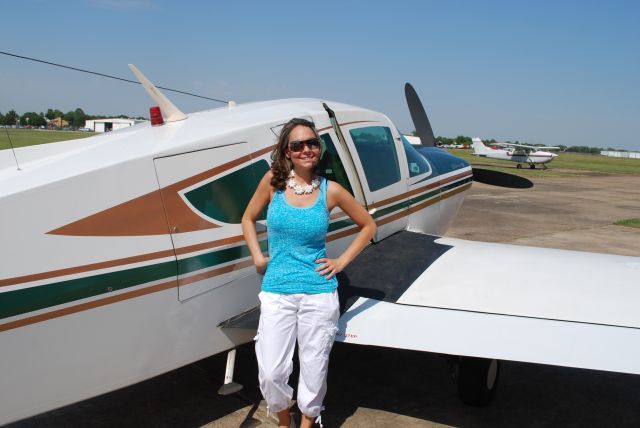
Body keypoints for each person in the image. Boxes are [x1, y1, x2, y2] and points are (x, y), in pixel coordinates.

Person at [242, 118, 376, 428]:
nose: (306, 149)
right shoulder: (272, 183)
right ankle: (282, 415)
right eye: (297, 145)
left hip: (318, 291)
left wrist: (340, 262)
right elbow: (247, 219)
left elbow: (368, 225)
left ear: (319, 148)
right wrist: (257, 257)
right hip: (277, 290)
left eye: (312, 143)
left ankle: (308, 420)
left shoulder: (332, 191)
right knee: (272, 371)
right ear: (287, 152)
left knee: (314, 367)